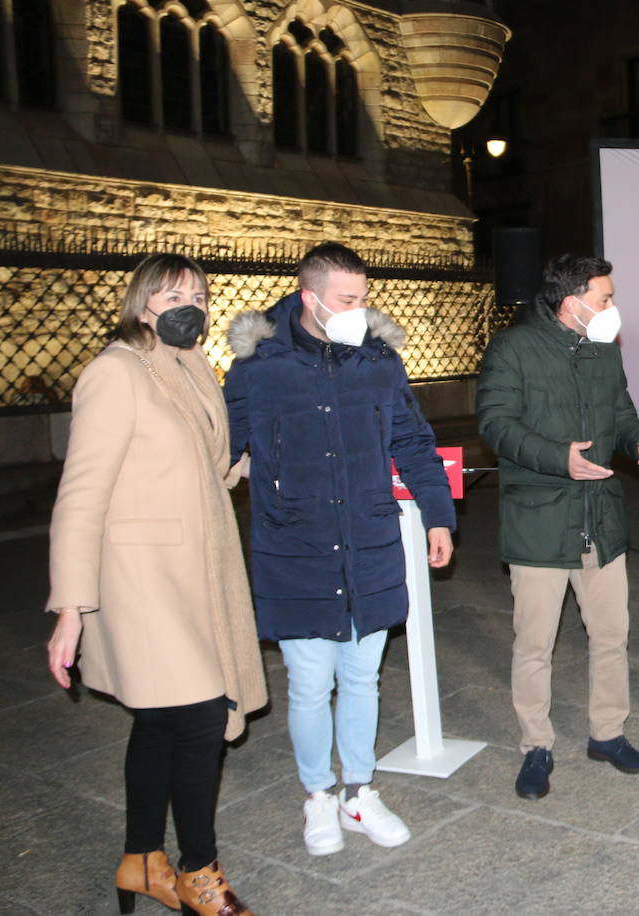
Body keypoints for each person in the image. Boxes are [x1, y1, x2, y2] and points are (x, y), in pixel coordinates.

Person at [45, 253, 266, 916]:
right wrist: (70, 608)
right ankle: (201, 872)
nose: (188, 304)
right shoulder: (113, 374)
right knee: (201, 715)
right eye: (172, 293)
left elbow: (216, 464)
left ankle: (142, 860)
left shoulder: (195, 365)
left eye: (197, 292)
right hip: (141, 577)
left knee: (162, 723)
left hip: (198, 569)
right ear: (141, 301)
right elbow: (81, 495)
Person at [224, 242, 456, 857]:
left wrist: (438, 516)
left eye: (363, 298)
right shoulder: (259, 366)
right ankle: (318, 796)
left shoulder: (377, 362)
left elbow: (412, 439)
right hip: (295, 547)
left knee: (362, 679)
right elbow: (218, 445)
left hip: (369, 543)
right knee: (307, 683)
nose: (360, 309)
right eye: (347, 300)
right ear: (310, 299)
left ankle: (359, 790)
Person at [476, 253, 639, 800]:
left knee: (611, 635)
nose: (613, 308)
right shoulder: (513, 349)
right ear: (571, 303)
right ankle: (536, 745)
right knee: (534, 643)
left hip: (599, 516)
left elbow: (622, 413)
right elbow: (495, 422)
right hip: (540, 520)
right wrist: (558, 457)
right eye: (605, 298)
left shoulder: (604, 350)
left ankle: (608, 733)